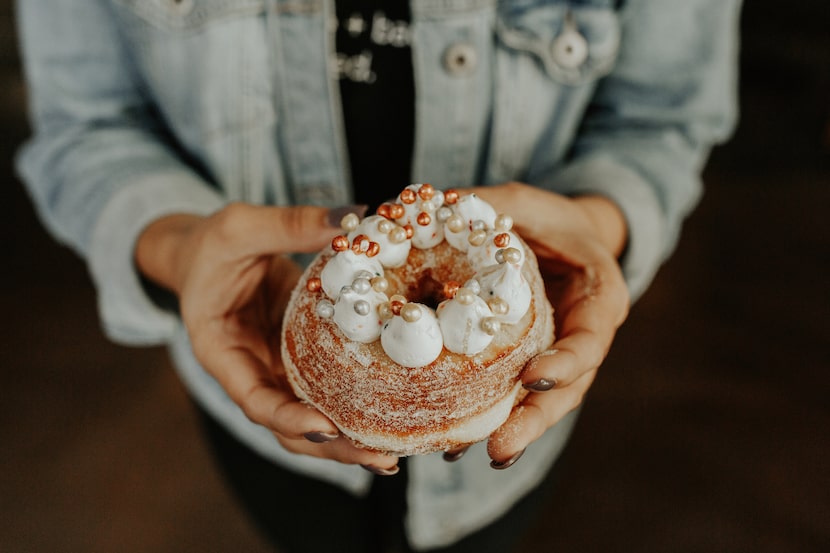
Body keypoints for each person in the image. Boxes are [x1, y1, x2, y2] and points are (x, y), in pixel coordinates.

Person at [15, 0, 740, 551]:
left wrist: (598, 225)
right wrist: (181, 249)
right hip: (261, 389)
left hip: (511, 425)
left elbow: (661, 116)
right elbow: (85, 123)